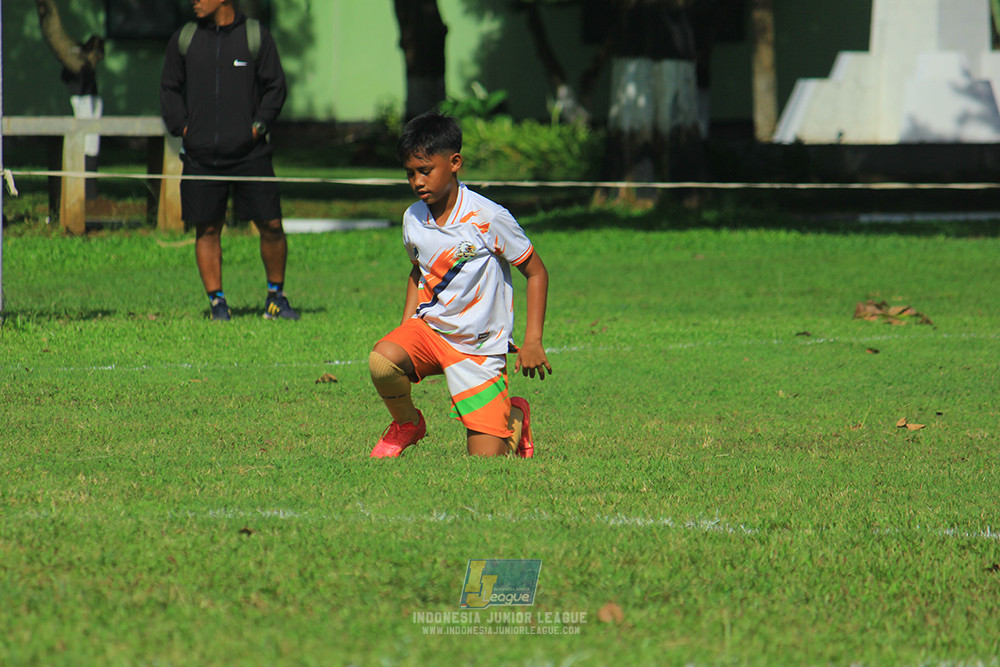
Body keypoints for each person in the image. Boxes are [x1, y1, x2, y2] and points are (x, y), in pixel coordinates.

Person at [369, 111, 552, 458]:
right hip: (432, 331)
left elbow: (536, 272)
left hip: (478, 348)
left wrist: (533, 341)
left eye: (425, 171)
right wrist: (407, 326)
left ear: (454, 163)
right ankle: (408, 423)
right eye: (410, 173)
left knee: (485, 462)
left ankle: (515, 417)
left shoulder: (488, 217)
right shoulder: (413, 219)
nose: (417, 182)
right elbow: (417, 272)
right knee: (383, 360)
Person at [159, 0, 298, 321]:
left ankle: (276, 298)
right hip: (200, 155)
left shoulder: (255, 36)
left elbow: (275, 87)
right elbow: (168, 88)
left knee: (272, 225)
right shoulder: (184, 39)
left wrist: (257, 127)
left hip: (251, 154)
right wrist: (183, 128)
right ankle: (217, 303)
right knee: (206, 228)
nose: (193, 1)